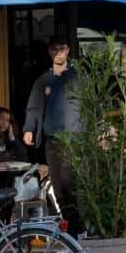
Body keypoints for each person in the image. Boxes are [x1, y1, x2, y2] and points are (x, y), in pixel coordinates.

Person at [23, 34, 82, 236]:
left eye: (62, 48)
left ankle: (78, 232)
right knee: (58, 189)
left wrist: (101, 129)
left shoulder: (78, 77)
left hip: (75, 139)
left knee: (71, 185)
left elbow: (93, 105)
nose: (59, 53)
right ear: (50, 51)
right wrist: (29, 129)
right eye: (55, 49)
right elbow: (33, 107)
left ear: (68, 50)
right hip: (53, 141)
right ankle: (70, 234)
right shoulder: (43, 80)